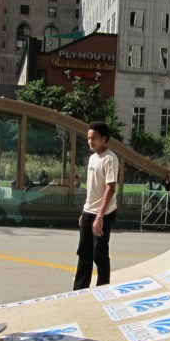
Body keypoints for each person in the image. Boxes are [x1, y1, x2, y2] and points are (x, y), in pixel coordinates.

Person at [73, 121, 119, 291]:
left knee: (99, 254)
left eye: (94, 138)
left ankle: (103, 289)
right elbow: (92, 188)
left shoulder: (110, 158)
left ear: (104, 139)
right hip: (88, 211)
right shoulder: (92, 158)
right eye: (88, 139)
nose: (90, 142)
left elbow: (111, 187)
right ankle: (79, 291)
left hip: (104, 213)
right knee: (84, 253)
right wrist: (85, 211)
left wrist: (99, 216)